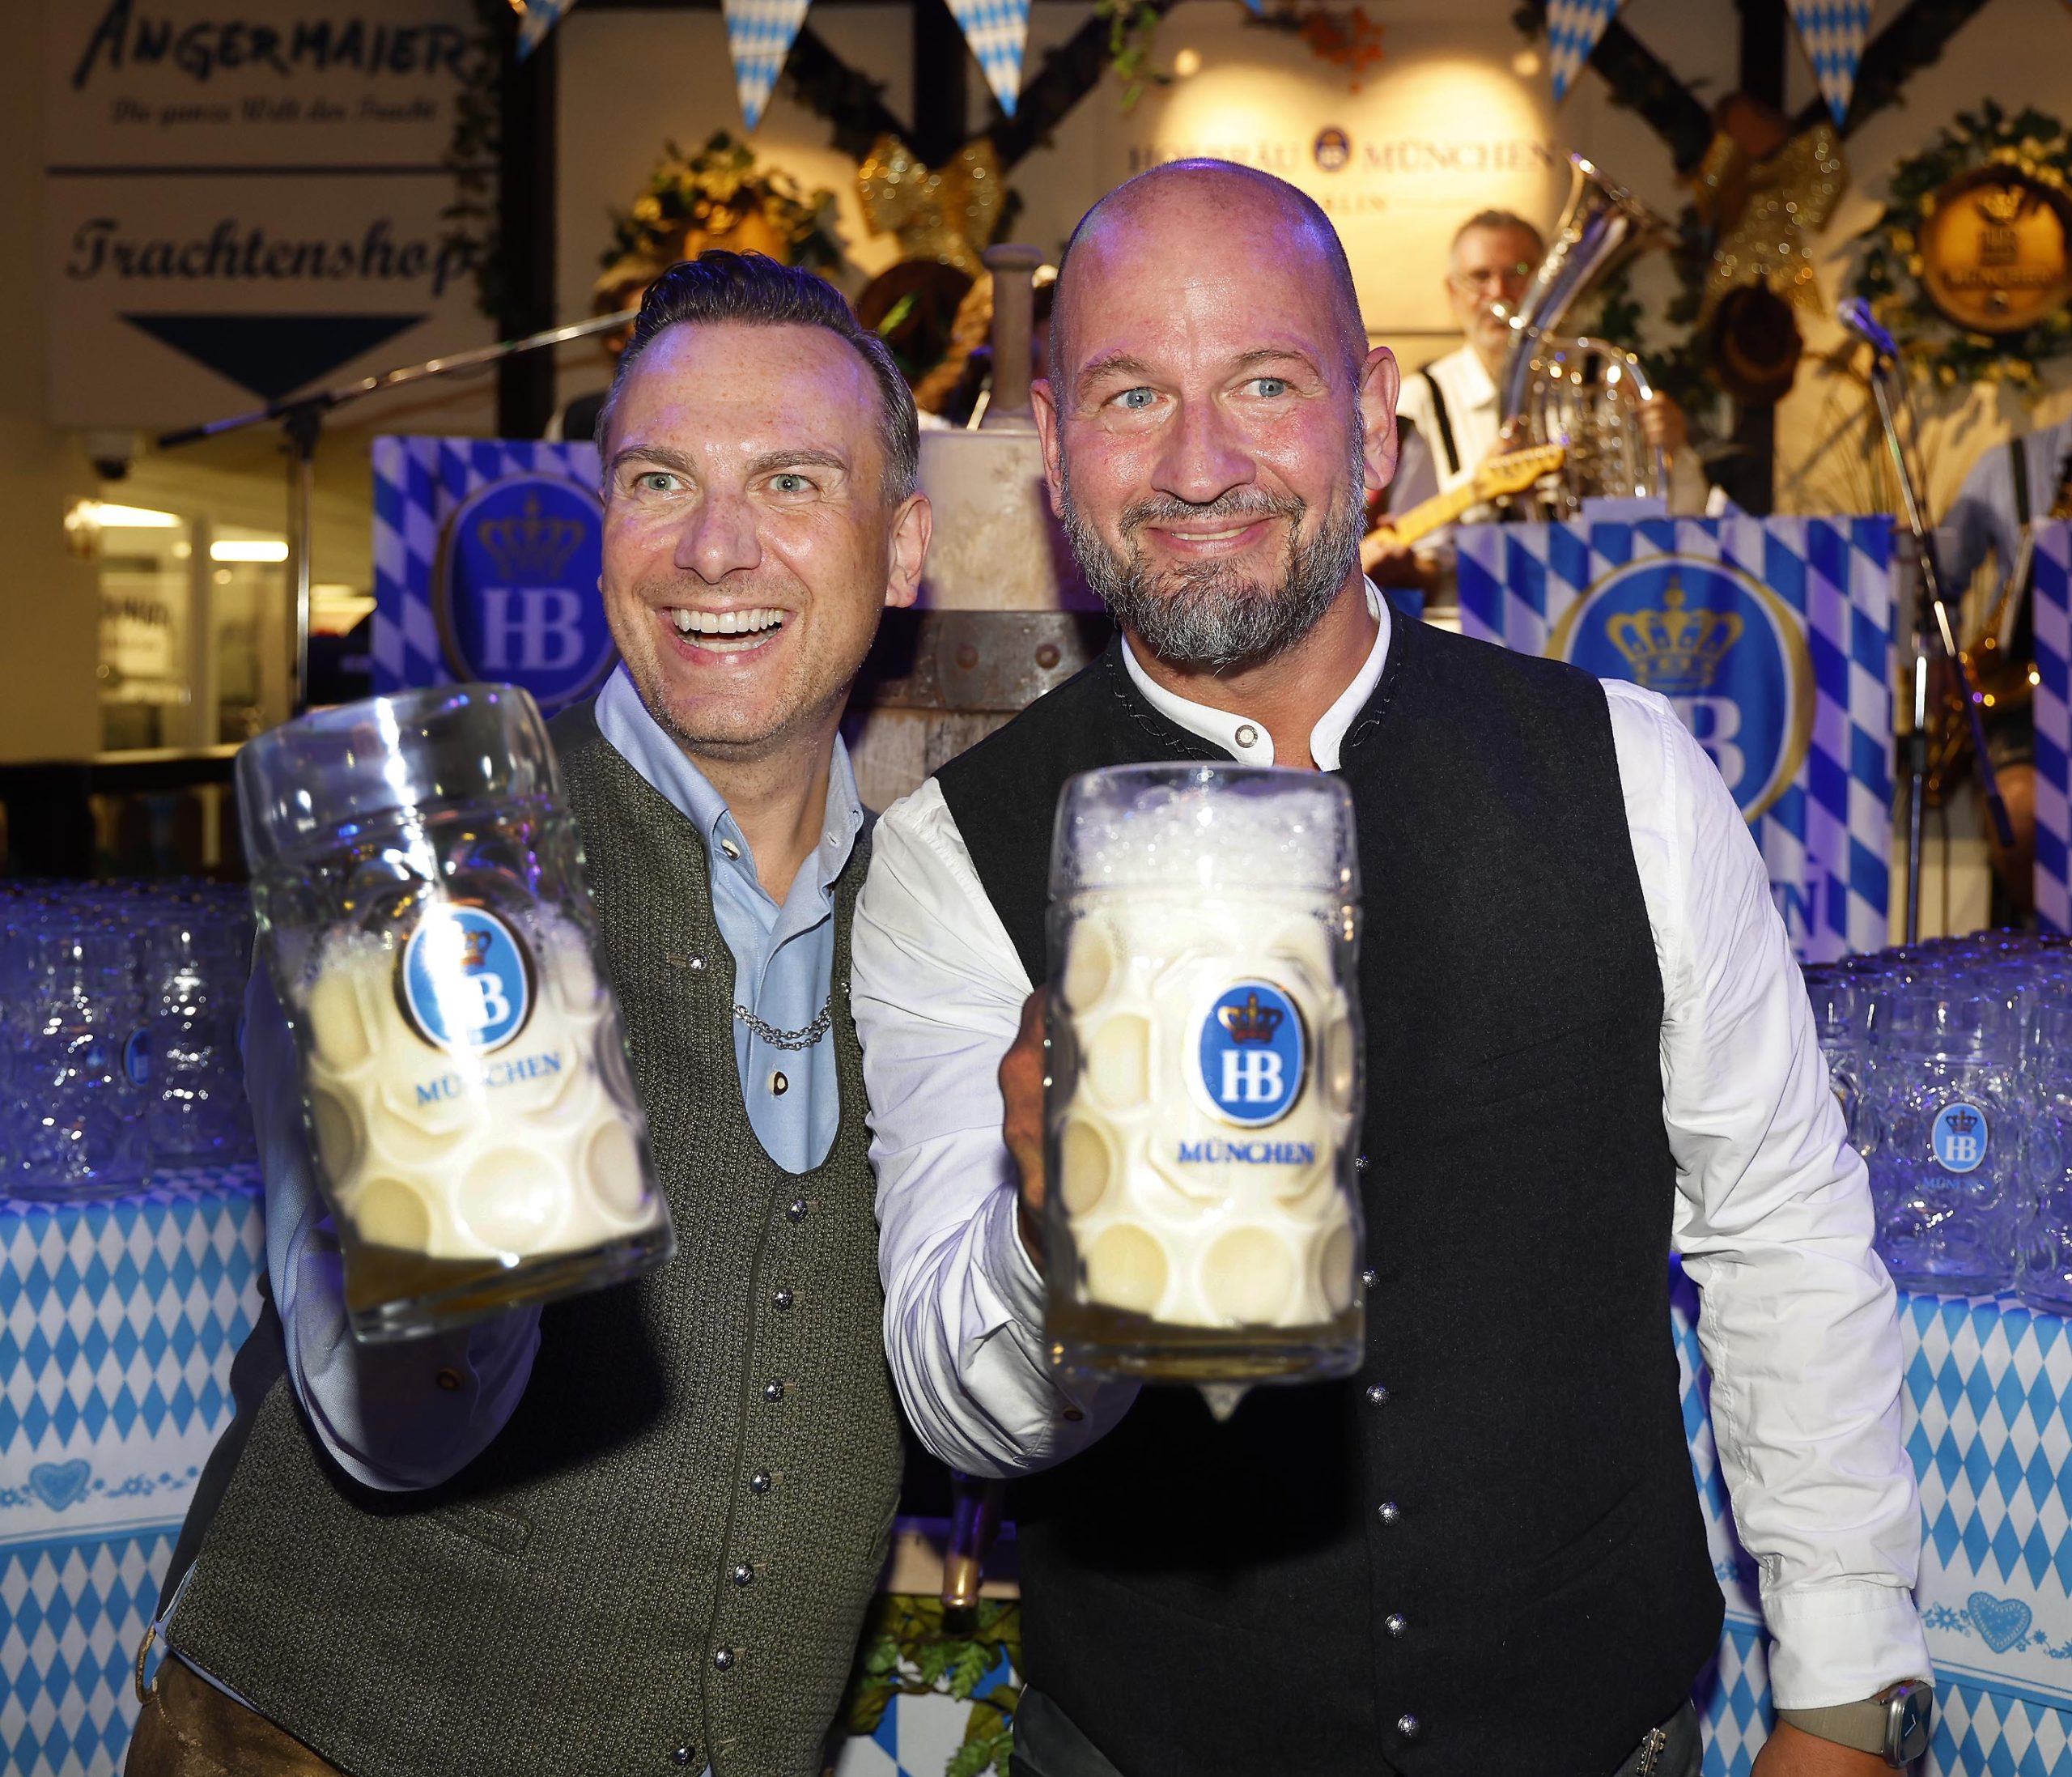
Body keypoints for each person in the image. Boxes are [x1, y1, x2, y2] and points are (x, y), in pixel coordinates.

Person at [851, 163, 1930, 1777]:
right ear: (1053, 446)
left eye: (1263, 384)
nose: (1197, 464)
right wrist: (1043, 1239)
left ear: (1369, 418)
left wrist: (1844, 1699)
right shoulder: (952, 852)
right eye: (1132, 394)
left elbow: (1781, 1234)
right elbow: (963, 1411)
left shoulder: (1623, 769)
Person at [128, 252, 931, 1777]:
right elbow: (376, 1414)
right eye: (658, 481)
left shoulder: (937, 912)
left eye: (790, 482)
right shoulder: (423, 868)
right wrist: (460, 1229)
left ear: (903, 548)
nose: (714, 547)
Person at [1376, 208, 1707, 601]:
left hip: (1591, 608)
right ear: (1453, 293)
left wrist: (1673, 452)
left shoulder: (1598, 386)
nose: (1499, 292)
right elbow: (1415, 560)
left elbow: (1684, 518)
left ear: (1546, 283)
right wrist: (1478, 490)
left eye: (1519, 272)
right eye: (1480, 277)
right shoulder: (1419, 400)